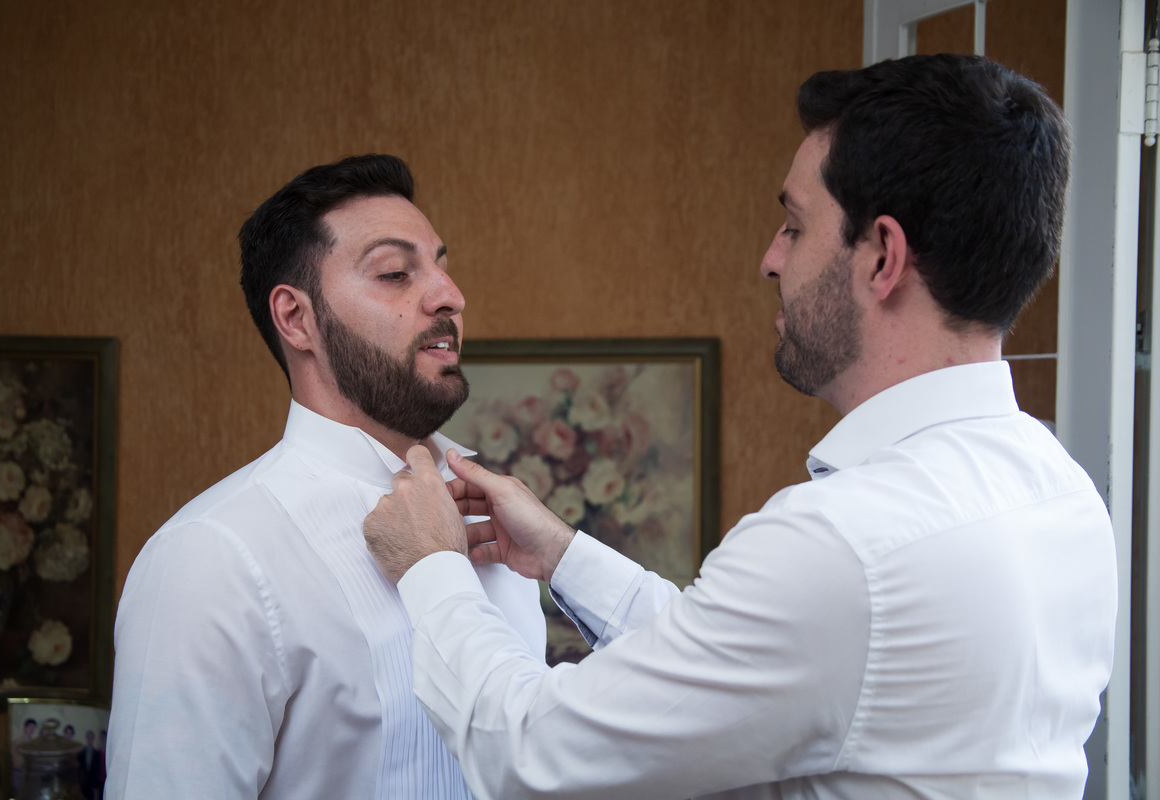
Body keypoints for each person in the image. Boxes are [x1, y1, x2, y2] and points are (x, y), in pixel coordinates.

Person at [363, 54, 1119, 799]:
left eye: (794, 226)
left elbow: (531, 756)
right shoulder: (1061, 493)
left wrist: (432, 568)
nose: (770, 259)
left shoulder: (844, 546)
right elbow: (756, 665)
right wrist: (564, 556)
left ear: (883, 257)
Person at [105, 154, 545, 798]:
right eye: (395, 273)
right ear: (296, 319)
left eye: (441, 266)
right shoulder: (211, 558)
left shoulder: (497, 520)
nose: (450, 296)